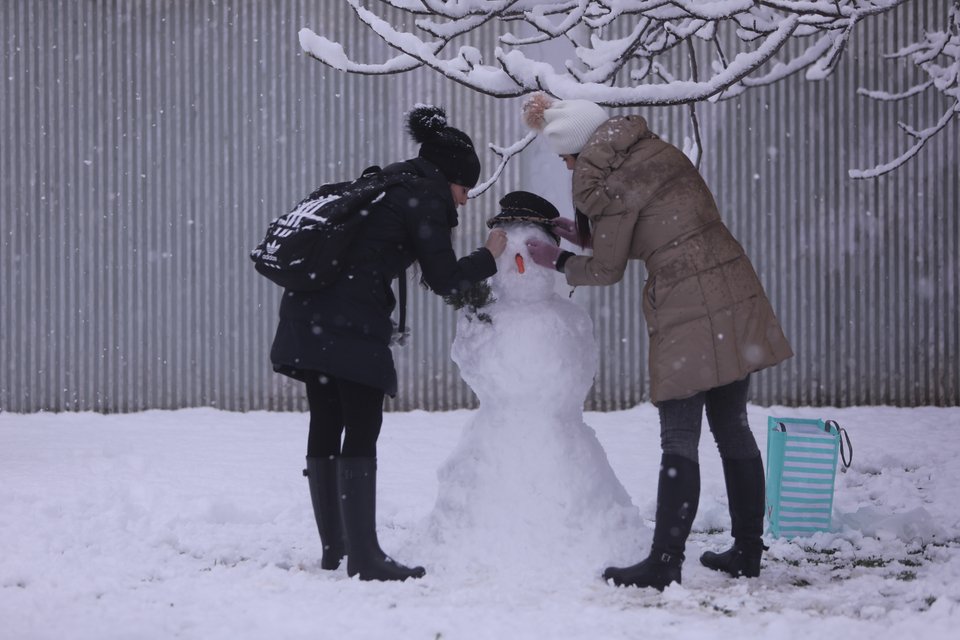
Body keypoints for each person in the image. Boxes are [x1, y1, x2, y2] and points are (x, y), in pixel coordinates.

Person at [521, 92, 793, 590]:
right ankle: (748, 551)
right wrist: (582, 236)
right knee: (732, 426)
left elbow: (607, 268)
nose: (565, 167)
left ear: (580, 149)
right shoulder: (649, 150)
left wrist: (556, 260)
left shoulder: (601, 179)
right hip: (733, 287)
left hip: (688, 303)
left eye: (564, 157)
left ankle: (664, 561)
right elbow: (651, 226)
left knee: (678, 436)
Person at [269, 105, 508, 581]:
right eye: (465, 189)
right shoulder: (425, 196)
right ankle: (365, 558)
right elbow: (446, 281)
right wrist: (489, 256)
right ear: (451, 178)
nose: (464, 201)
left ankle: (337, 550)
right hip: (349, 322)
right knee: (362, 425)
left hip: (307, 312)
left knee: (327, 419)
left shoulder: (383, 184)